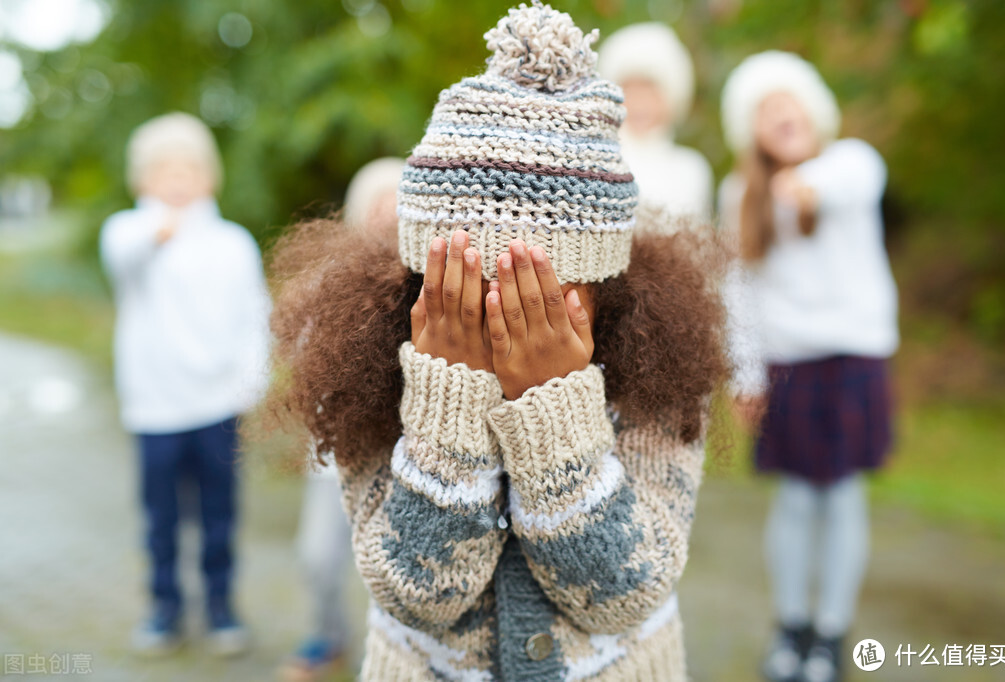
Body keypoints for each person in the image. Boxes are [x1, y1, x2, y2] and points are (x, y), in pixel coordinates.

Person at [265, 3, 729, 679]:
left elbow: (624, 594)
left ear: (610, 282)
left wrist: (554, 404)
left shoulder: (657, 369)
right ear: (417, 276)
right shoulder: (374, 366)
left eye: (540, 285)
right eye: (468, 280)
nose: (505, 311)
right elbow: (418, 595)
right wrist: (446, 401)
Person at [718, 51, 899, 682]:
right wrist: (744, 375)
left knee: (843, 497)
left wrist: (804, 184)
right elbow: (738, 289)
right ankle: (790, 626)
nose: (780, 115)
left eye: (787, 102)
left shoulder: (850, 162)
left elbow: (849, 181)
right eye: (765, 109)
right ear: (751, 127)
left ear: (811, 108)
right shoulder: (739, 193)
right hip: (787, 366)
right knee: (796, 499)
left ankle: (831, 635)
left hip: (852, 357)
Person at [100, 112, 271, 657]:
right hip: (155, 406)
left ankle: (221, 607)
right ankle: (164, 608)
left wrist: (252, 383)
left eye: (188, 167)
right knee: (162, 518)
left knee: (221, 513)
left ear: (209, 175)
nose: (176, 179)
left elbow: (254, 315)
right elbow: (126, 255)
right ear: (141, 178)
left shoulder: (233, 242)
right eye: (162, 169)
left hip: (219, 403)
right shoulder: (129, 232)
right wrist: (163, 226)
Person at [277, 156, 405, 682]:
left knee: (397, 568)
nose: (388, 212)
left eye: (399, 200)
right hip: (335, 459)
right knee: (318, 557)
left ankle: (394, 650)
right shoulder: (328, 277)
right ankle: (327, 637)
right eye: (377, 202)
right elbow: (294, 350)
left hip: (399, 456)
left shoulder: (426, 278)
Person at [598, 22, 713, 222]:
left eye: (650, 91)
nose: (640, 104)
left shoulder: (691, 168)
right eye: (629, 92)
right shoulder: (598, 162)